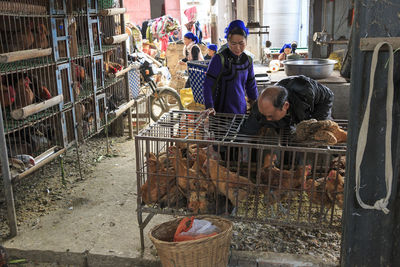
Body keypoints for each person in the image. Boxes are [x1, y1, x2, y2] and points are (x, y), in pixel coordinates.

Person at [240, 75, 334, 135]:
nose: (267, 118)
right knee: (274, 125)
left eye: (270, 115)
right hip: (291, 104)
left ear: (286, 106)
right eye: (265, 114)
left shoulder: (304, 95)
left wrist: (315, 123)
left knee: (317, 131)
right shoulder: (261, 106)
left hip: (320, 102)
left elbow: (329, 96)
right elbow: (248, 129)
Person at [202, 20, 258, 114]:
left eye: (241, 43)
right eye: (233, 43)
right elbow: (207, 85)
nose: (237, 48)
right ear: (228, 41)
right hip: (220, 112)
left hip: (241, 110)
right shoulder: (219, 59)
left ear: (246, 41)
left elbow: (251, 84)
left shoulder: (248, 60)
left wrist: (255, 104)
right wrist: (209, 106)